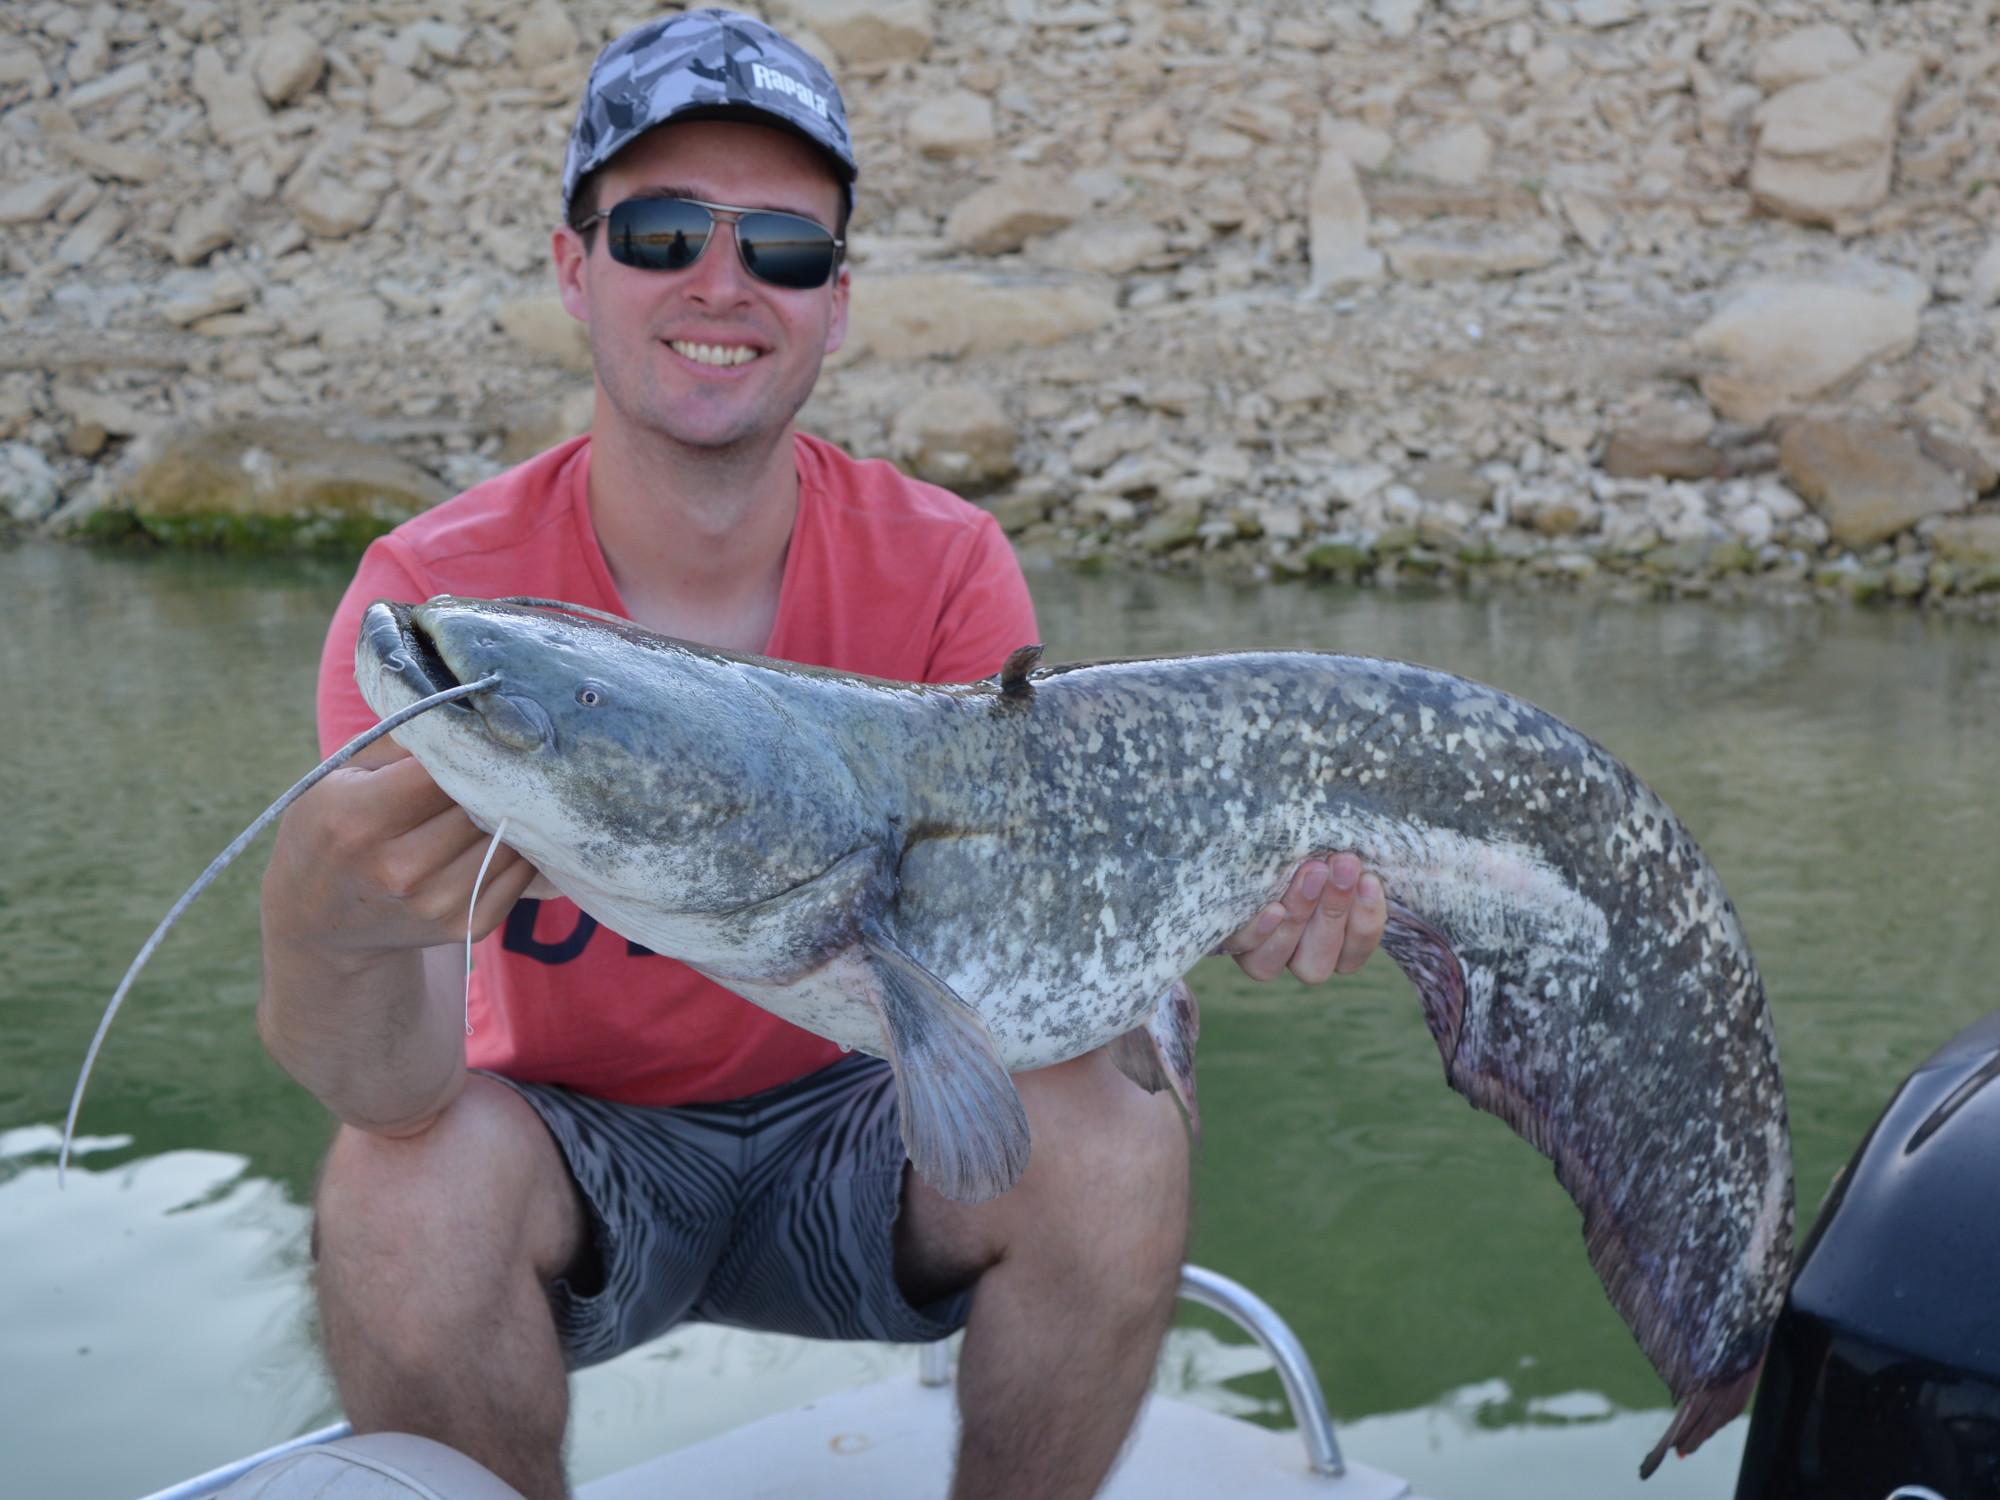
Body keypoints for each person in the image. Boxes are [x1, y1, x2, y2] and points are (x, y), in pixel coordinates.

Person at [257, 12, 1388, 1500]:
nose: (719, 282)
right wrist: (322, 929)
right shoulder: (433, 605)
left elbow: (1030, 985)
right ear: (572, 267)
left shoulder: (946, 566)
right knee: (393, 1187)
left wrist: (1214, 902)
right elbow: (396, 1092)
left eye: (780, 248)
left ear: (835, 304)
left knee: (1120, 1120)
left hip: (876, 1117)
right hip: (570, 1150)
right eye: (660, 231)